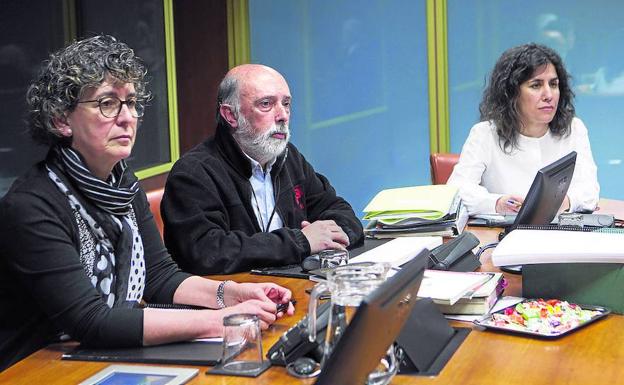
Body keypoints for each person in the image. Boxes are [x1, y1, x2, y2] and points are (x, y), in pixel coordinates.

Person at [0, 36, 294, 371]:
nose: (127, 118)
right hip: (33, 366)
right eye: (107, 104)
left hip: (97, 354)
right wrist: (221, 322)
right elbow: (91, 320)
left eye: (131, 103)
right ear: (60, 120)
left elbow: (159, 277)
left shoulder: (123, 184)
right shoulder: (30, 206)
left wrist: (233, 294)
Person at [162, 64, 364, 275]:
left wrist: (337, 235)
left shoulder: (288, 157)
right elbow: (206, 252)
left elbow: (337, 208)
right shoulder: (194, 173)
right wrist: (301, 242)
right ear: (231, 116)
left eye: (286, 104)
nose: (282, 115)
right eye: (266, 104)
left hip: (289, 284)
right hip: (230, 298)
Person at [447, 43, 599, 215]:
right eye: (536, 85)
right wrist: (497, 203)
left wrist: (559, 202)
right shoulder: (485, 134)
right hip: (504, 234)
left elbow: (589, 190)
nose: (549, 95)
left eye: (554, 84)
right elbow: (457, 191)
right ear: (511, 93)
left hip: (562, 233)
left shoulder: (574, 129)